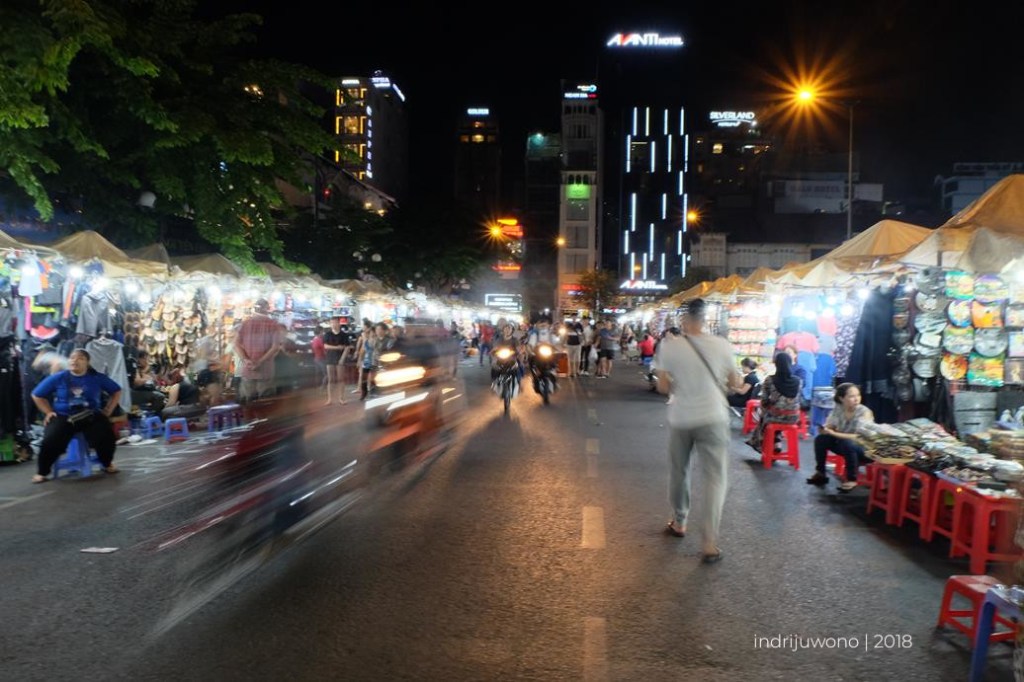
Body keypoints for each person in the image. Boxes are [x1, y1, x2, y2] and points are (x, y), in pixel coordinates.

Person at [654, 299, 744, 563]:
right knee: (715, 478)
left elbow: (662, 387)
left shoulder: (670, 346)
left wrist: (683, 383)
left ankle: (680, 521)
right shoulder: (722, 345)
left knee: (679, 471)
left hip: (681, 417)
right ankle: (709, 542)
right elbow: (735, 382)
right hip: (714, 417)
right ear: (705, 319)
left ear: (684, 319)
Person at [30, 349, 122, 483]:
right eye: (72, 358)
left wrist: (108, 410)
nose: (75, 360)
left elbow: (116, 390)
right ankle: (42, 472)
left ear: (87, 363)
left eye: (80, 358)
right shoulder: (59, 377)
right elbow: (37, 395)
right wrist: (48, 412)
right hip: (64, 416)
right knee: (50, 439)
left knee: (106, 434)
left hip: (90, 414)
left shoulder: (96, 377)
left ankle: (107, 463)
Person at [806, 382, 875, 491]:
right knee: (821, 439)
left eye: (858, 395)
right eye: (852, 396)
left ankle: (852, 479)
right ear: (841, 398)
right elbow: (831, 425)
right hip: (844, 445)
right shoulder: (839, 409)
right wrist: (825, 429)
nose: (856, 399)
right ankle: (820, 472)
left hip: (865, 449)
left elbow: (859, 437)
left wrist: (833, 433)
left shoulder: (864, 412)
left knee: (848, 443)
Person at [745, 353, 802, 453]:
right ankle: (776, 441)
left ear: (776, 364)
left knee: (766, 415)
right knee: (776, 413)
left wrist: (766, 409)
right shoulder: (798, 381)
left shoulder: (770, 380)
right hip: (794, 418)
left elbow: (764, 401)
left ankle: (759, 443)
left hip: (774, 417)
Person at [233, 299, 282, 402]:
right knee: (265, 404)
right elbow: (275, 347)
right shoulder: (273, 325)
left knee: (247, 402)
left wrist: (246, 360)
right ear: (267, 308)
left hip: (248, 369)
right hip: (266, 370)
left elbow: (236, 345)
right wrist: (260, 362)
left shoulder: (245, 324)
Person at [322, 316, 350, 405]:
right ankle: (329, 399)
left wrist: (342, 359)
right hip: (330, 358)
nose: (333, 324)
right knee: (331, 379)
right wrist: (337, 347)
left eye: (335, 322)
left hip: (340, 358)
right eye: (332, 323)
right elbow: (325, 346)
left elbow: (347, 348)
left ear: (339, 323)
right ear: (330, 324)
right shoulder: (327, 334)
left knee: (340, 379)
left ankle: (341, 398)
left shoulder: (344, 335)